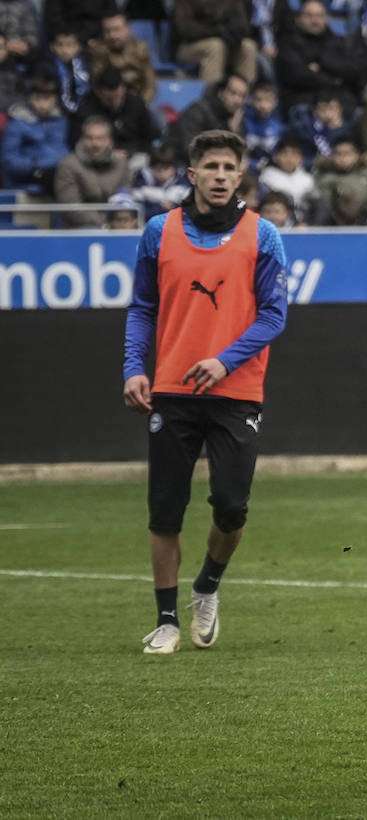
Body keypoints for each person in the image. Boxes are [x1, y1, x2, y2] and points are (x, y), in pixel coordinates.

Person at [122, 129, 288, 655]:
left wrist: (224, 360)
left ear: (241, 177)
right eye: (210, 167)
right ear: (191, 175)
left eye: (228, 168)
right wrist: (133, 367)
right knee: (165, 511)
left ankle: (207, 587)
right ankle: (167, 620)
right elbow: (143, 306)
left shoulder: (263, 236)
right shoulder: (158, 231)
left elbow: (274, 314)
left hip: (237, 391)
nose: (220, 176)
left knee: (232, 508)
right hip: (171, 389)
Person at [55, 115, 131, 227]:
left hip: (117, 224)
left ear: (109, 140)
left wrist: (116, 222)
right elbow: (71, 207)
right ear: (82, 139)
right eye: (89, 138)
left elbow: (125, 198)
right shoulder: (68, 165)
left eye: (100, 138)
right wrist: (105, 223)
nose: (95, 144)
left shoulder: (121, 164)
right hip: (80, 227)